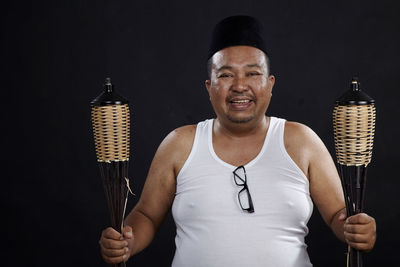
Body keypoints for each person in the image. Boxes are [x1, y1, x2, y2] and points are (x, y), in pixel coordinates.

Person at [99, 15, 376, 267]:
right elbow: (146, 215)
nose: (240, 85)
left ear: (270, 83)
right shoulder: (179, 144)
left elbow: (340, 214)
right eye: (226, 75)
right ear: (209, 87)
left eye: (252, 74)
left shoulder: (301, 141)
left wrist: (358, 229)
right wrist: (127, 242)